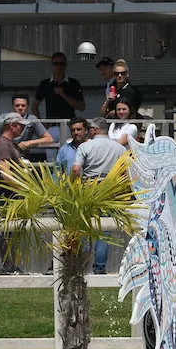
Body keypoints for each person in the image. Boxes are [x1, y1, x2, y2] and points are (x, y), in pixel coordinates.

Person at [72, 117, 127, 274]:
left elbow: (76, 169)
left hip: (89, 189)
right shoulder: (119, 148)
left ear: (94, 130)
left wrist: (74, 186)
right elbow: (125, 172)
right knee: (104, 230)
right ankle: (99, 268)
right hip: (110, 191)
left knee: (85, 228)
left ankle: (82, 266)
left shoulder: (85, 146)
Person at [0, 113, 31, 274]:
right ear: (12, 125)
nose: (23, 127)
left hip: (14, 194)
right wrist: (24, 188)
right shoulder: (4, 145)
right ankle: (8, 267)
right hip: (10, 195)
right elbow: (6, 174)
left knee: (13, 232)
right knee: (8, 231)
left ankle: (12, 266)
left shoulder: (9, 144)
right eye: (20, 124)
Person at [32, 52, 86, 159]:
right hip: (51, 127)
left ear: (65, 66)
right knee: (51, 160)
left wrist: (63, 95)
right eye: (56, 64)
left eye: (61, 64)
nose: (58, 67)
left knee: (69, 157)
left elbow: (81, 106)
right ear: (51, 65)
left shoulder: (73, 83)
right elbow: (34, 106)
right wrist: (42, 124)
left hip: (68, 126)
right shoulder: (45, 84)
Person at [0, 93, 53, 160]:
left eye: (23, 105)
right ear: (12, 106)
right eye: (17, 105)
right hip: (4, 152)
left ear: (27, 106)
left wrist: (29, 143)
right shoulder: (6, 117)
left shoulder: (32, 119)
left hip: (23, 156)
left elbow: (49, 139)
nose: (20, 108)